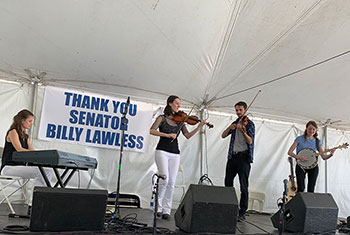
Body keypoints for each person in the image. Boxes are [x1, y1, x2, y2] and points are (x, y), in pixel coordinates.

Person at [150, 95, 206, 220]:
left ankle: (166, 210)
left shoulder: (180, 121)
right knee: (164, 177)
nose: (178, 106)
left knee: (171, 182)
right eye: (176, 103)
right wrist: (167, 135)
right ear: (170, 103)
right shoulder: (162, 118)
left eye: (179, 104)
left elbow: (187, 135)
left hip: (175, 153)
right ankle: (157, 207)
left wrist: (198, 127)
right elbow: (152, 130)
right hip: (162, 151)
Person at [0, 109, 52, 215]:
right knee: (43, 172)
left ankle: (37, 203)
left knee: (47, 172)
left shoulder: (26, 136)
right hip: (9, 168)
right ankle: (33, 205)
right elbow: (19, 149)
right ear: (22, 120)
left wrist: (44, 157)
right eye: (30, 121)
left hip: (19, 169)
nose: (31, 124)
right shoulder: (13, 132)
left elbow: (32, 152)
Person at [221, 101, 255, 222]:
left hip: (244, 158)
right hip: (232, 157)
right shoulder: (234, 123)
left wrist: (244, 132)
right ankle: (229, 208)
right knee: (228, 183)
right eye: (236, 110)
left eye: (240, 110)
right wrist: (229, 128)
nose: (238, 112)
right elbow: (223, 135)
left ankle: (242, 212)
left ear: (245, 110)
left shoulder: (249, 124)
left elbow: (250, 141)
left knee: (243, 186)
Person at [287, 121, 334, 193]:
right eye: (310, 129)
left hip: (313, 167)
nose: (311, 131)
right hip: (301, 166)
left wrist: (331, 154)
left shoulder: (317, 142)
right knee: (301, 188)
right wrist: (299, 157)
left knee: (311, 189)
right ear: (306, 129)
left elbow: (323, 157)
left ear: (316, 130)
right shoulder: (299, 139)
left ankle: (309, 204)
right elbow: (290, 152)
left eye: (313, 129)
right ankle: (300, 204)